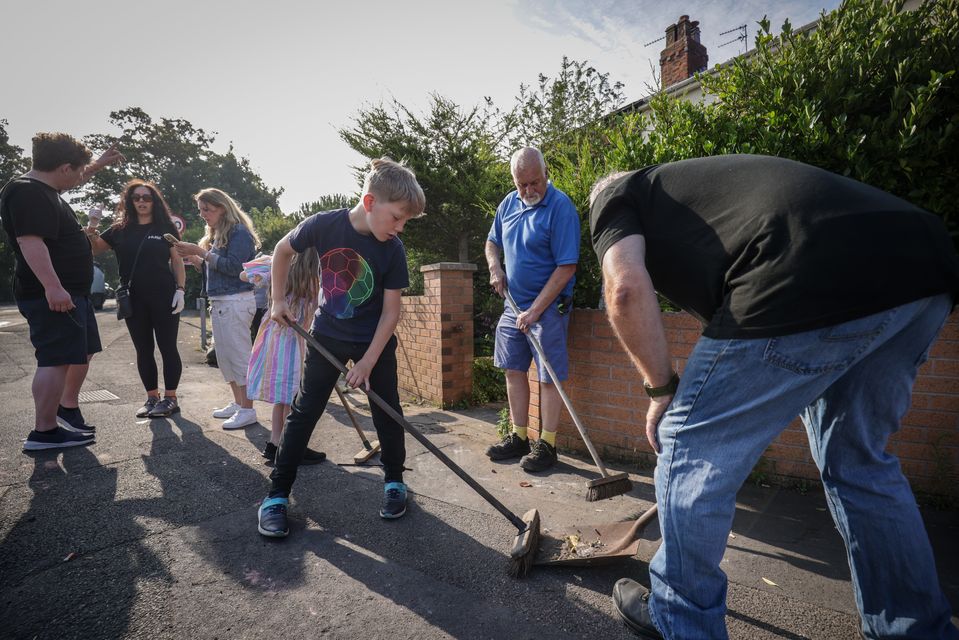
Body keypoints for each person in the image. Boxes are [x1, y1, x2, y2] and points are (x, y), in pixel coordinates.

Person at [588, 154, 959, 640]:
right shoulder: (706, 200)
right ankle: (913, 631)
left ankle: (679, 619)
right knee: (860, 463)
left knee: (686, 442)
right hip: (923, 269)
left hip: (801, 266)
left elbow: (624, 290)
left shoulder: (618, 195)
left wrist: (661, 391)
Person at [257, 158, 425, 538]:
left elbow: (391, 312)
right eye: (397, 217)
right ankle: (276, 496)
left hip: (373, 339)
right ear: (370, 202)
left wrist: (367, 362)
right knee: (305, 412)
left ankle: (395, 482)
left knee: (388, 411)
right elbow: (283, 251)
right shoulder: (323, 225)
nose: (400, 227)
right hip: (328, 333)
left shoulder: (392, 249)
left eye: (405, 221)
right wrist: (277, 300)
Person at [0, 132, 124, 450]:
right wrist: (53, 288)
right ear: (65, 167)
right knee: (54, 359)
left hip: (72, 292)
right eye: (80, 171)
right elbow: (31, 242)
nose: (82, 178)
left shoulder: (44, 189)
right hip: (53, 295)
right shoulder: (28, 193)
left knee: (75, 354)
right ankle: (45, 431)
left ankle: (60, 416)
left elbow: (72, 177)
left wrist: (96, 165)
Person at [484, 147, 580, 472]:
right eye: (521, 185)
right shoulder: (508, 205)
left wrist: (537, 310)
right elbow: (491, 241)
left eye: (534, 183)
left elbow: (566, 267)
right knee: (513, 369)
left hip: (549, 307)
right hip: (514, 305)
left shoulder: (561, 208)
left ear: (546, 173)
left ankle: (548, 444)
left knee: (548, 375)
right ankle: (519, 437)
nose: (528, 191)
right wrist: (495, 268)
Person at [86, 180, 186, 418]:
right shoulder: (120, 229)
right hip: (133, 298)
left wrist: (180, 289)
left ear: (154, 201)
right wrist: (92, 225)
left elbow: (177, 259)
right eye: (137, 197)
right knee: (143, 349)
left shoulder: (165, 227)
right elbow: (94, 249)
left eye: (147, 197)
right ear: (130, 201)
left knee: (168, 347)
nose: (141, 201)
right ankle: (152, 397)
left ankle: (171, 398)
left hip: (164, 296)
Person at [174, 188, 260, 429]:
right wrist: (197, 261)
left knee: (239, 356)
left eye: (207, 209)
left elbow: (235, 268)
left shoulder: (239, 232)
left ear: (222, 207)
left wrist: (200, 252)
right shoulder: (220, 232)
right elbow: (219, 269)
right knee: (225, 357)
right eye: (201, 209)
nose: (203, 214)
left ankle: (247, 409)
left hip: (236, 301)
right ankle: (238, 402)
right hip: (223, 301)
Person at [242, 251, 326, 465]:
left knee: (283, 397)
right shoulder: (316, 282)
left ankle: (275, 443)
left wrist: (271, 269)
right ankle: (290, 447)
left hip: (274, 338)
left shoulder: (278, 267)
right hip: (293, 342)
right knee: (291, 396)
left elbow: (244, 275)